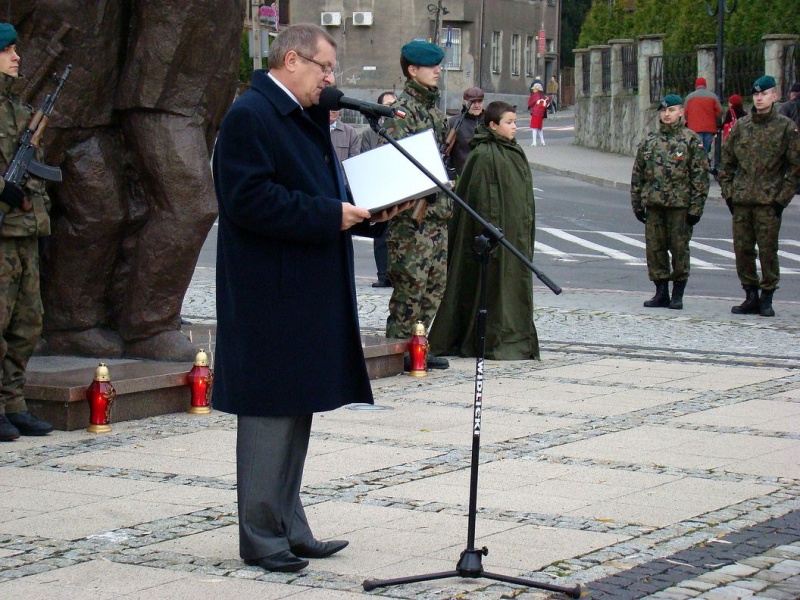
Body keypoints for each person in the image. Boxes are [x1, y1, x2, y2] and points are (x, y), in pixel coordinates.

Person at [211, 23, 407, 573]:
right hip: (268, 293)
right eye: (324, 67)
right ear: (291, 59)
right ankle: (260, 535)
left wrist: (365, 212)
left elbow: (320, 193)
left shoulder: (302, 115)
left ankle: (290, 526)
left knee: (296, 409)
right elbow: (247, 200)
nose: (331, 78)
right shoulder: (250, 115)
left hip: (303, 287)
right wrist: (329, 214)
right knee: (269, 412)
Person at [429, 101, 539, 360]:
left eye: (514, 121)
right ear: (493, 125)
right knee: (488, 285)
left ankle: (514, 336)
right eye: (509, 122)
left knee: (513, 283)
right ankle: (488, 339)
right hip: (492, 236)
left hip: (515, 232)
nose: (514, 127)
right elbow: (480, 199)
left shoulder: (513, 151)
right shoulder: (484, 154)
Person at [380, 39, 451, 370]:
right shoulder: (402, 113)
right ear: (412, 70)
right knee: (410, 289)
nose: (438, 70)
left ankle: (420, 347)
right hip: (412, 220)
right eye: (431, 66)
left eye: (438, 65)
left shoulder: (436, 113)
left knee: (434, 287)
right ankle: (396, 352)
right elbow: (389, 165)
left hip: (437, 216)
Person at [0, 23, 54, 442]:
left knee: (26, 323)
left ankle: (14, 403)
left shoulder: (20, 110)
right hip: (3, 232)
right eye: (7, 50)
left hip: (25, 231)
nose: (16, 57)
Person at [719, 75, 800, 318]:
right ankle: (750, 294)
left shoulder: (785, 127)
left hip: (768, 201)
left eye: (764, 94)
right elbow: (727, 162)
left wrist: (781, 199)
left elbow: (795, 167)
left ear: (774, 96)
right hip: (742, 200)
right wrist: (729, 194)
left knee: (767, 251)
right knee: (743, 250)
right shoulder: (742, 126)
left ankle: (767, 296)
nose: (759, 98)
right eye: (756, 95)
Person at [630, 94, 710, 310]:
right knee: (655, 250)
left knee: (679, 249)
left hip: (679, 206)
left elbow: (700, 177)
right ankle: (661, 291)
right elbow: (638, 174)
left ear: (681, 112)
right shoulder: (650, 141)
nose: (667, 114)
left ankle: (678, 293)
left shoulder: (690, 140)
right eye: (664, 111)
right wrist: (637, 203)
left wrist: (696, 208)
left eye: (672, 110)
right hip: (654, 204)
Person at [360, 91, 397, 288]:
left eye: (394, 103)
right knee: (381, 233)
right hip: (379, 187)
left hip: (399, 187)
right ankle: (383, 274)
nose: (392, 107)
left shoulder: (404, 128)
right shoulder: (369, 133)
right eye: (388, 104)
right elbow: (365, 158)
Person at [447, 86, 484, 176]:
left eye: (480, 101)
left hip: (485, 176)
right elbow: (447, 153)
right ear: (464, 102)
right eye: (473, 102)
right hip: (463, 177)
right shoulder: (454, 123)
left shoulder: (490, 121)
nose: (477, 105)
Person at [684, 77, 722, 155]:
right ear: (705, 85)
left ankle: (698, 164)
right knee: (706, 150)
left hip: (694, 129)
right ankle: (706, 163)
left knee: (697, 150)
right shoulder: (713, 96)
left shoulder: (689, 97)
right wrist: (717, 123)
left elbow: (685, 113)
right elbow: (719, 112)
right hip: (709, 128)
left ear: (696, 85)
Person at [527, 82, 550, 147]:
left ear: (537, 89)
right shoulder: (542, 96)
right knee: (539, 128)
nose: (533, 90)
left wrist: (531, 96)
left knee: (534, 127)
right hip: (541, 114)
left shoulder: (535, 95)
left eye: (534, 89)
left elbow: (530, 103)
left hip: (535, 113)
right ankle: (543, 141)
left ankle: (534, 142)